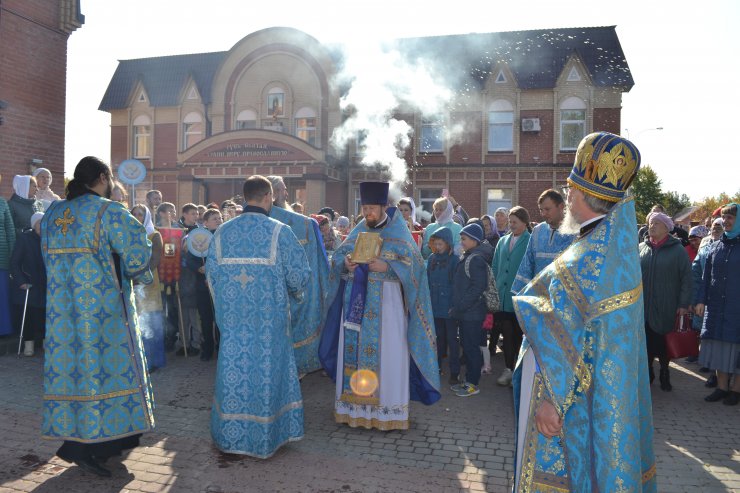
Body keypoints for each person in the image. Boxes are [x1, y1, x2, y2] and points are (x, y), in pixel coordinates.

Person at [512, 132, 656, 492]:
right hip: (599, 395)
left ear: (578, 194)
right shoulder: (611, 248)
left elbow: (576, 339)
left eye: (570, 188)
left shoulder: (589, 259)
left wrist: (553, 400)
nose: (568, 196)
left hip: (571, 403)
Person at [41, 156, 154, 477]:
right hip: (103, 313)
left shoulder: (54, 213)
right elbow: (137, 254)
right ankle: (91, 448)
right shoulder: (108, 211)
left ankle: (84, 443)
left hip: (63, 312)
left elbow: (46, 257)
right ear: (103, 177)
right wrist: (143, 266)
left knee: (74, 373)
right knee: (107, 373)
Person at [320, 181, 440, 430]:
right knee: (354, 352)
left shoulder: (398, 231)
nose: (368, 213)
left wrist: (388, 266)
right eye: (365, 208)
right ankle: (354, 411)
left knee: (389, 354)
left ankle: (387, 413)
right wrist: (346, 263)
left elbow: (416, 266)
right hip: (355, 307)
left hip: (388, 307)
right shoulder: (359, 229)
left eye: (372, 208)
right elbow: (339, 257)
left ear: (384, 206)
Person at [206, 175, 310, 458]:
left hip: (234, 326)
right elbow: (299, 278)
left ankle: (231, 436)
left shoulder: (222, 233)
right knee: (267, 374)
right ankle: (267, 437)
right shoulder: (280, 232)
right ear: (268, 197)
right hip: (269, 326)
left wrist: (225, 315)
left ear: (244, 197)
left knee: (234, 376)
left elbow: (211, 279)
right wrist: (295, 296)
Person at [267, 175, 330, 375]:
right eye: (283, 189)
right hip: (296, 287)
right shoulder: (304, 224)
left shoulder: (251, 222)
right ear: (275, 193)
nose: (286, 193)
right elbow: (315, 264)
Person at [639, 211, 692, 391]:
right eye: (650, 223)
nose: (651, 226)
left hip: (666, 304)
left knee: (663, 342)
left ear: (666, 228)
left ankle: (664, 371)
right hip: (643, 305)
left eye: (655, 223)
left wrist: (683, 304)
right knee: (645, 341)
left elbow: (686, 279)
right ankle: (648, 373)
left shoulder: (678, 250)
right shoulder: (641, 248)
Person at [695, 204, 740, 405]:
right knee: (718, 347)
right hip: (716, 307)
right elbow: (706, 278)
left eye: (730, 217)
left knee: (737, 349)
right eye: (723, 217)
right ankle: (722, 387)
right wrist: (700, 300)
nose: (725, 221)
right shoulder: (715, 246)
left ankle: (736, 390)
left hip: (736, 308)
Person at [490, 206, 531, 386]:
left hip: (520, 295)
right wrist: (494, 287)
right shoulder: (503, 241)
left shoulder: (530, 241)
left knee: (517, 334)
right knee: (506, 333)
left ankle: (518, 371)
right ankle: (508, 369)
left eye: (515, 222)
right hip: (503, 295)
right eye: (510, 222)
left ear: (525, 222)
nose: (512, 225)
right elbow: (495, 266)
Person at [450, 223, 491, 397]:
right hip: (467, 312)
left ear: (474, 240)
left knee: (472, 348)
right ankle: (468, 381)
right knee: (467, 347)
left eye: (464, 239)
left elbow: (477, 287)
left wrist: (460, 306)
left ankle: (473, 383)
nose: (462, 242)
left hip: (472, 313)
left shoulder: (476, 259)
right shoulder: (469, 256)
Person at [512, 189, 575, 295]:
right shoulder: (538, 231)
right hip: (539, 296)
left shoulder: (575, 231)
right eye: (541, 210)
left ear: (561, 206)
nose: (543, 214)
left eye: (547, 209)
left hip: (564, 296)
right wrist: (521, 294)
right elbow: (527, 263)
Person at [184, 208, 223, 361]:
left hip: (220, 286)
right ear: (205, 222)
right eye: (214, 218)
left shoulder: (224, 237)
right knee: (206, 319)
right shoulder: (198, 237)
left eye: (219, 217)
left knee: (220, 319)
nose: (218, 220)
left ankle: (221, 348)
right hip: (203, 286)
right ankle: (207, 348)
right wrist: (199, 268)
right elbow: (190, 259)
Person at [131, 204, 166, 371]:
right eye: (134, 214)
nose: (137, 217)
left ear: (146, 217)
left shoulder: (154, 235)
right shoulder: (127, 234)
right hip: (132, 282)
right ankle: (139, 359)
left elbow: (155, 260)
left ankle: (153, 360)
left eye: (140, 214)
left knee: (152, 322)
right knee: (137, 321)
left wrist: (141, 276)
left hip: (149, 282)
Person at [427, 227, 460, 384]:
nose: (438, 247)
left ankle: (455, 371)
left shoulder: (454, 260)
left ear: (448, 244)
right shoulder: (432, 259)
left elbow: (456, 285)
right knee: (437, 339)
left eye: (440, 244)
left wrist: (454, 305)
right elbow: (427, 280)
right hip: (435, 306)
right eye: (435, 244)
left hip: (449, 307)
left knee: (452, 340)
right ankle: (437, 366)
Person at [10, 212, 46, 355]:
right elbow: (15, 262)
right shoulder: (24, 239)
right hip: (29, 283)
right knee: (29, 315)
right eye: (40, 223)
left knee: (45, 314)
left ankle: (46, 342)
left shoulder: (49, 239)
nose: (43, 226)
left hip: (45, 283)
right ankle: (28, 344)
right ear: (33, 224)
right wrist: (21, 281)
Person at [176, 203, 202, 356]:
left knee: (194, 315)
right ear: (185, 214)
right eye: (193, 213)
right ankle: (183, 343)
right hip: (180, 276)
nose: (195, 216)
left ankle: (196, 343)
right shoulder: (176, 230)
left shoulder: (200, 231)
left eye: (197, 213)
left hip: (194, 277)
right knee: (182, 315)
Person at [0, 174, 15, 336]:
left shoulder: (2, 203)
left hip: (2, 256)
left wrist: (11, 255)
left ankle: (3, 329)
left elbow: (10, 230)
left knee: (2, 294)